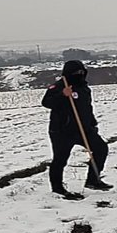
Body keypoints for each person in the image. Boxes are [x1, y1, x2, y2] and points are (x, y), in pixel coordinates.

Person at [41, 60, 112, 199]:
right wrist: (63, 95)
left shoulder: (84, 88)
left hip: (83, 129)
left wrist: (92, 124)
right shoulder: (59, 86)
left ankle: (93, 180)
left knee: (101, 148)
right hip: (62, 131)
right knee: (60, 159)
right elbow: (46, 102)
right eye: (76, 73)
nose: (79, 75)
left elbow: (87, 109)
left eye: (81, 72)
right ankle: (57, 188)